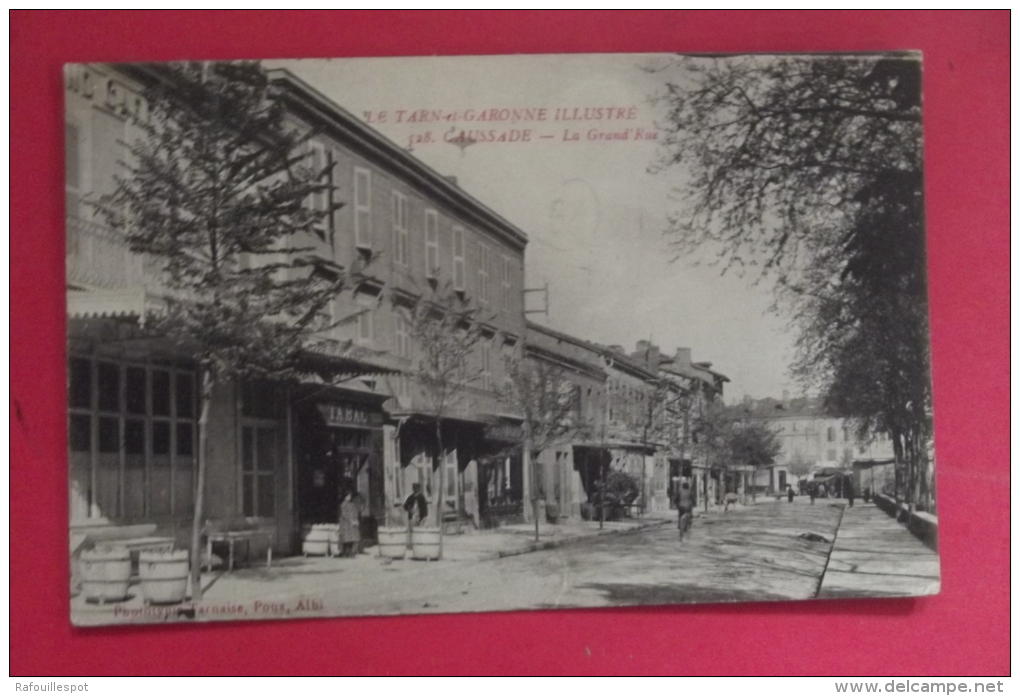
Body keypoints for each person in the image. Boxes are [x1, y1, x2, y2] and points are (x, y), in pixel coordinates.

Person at [338, 489, 363, 558]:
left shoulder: (353, 504)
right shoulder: (343, 505)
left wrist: (356, 520)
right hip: (346, 523)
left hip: (353, 523)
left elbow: (356, 512)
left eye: (349, 496)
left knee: (355, 538)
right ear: (344, 496)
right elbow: (344, 514)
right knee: (346, 539)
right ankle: (345, 552)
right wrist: (351, 521)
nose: (349, 497)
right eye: (347, 496)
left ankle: (353, 552)